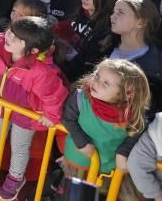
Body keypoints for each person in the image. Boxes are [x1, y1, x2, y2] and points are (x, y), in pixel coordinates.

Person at [0, 16, 69, 201]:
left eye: (17, 38)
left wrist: (51, 115)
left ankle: (15, 178)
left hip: (25, 114)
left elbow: (53, 95)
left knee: (20, 147)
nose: (9, 37)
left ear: (34, 50)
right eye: (11, 32)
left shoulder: (40, 71)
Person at [60, 58, 150, 199]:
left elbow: (138, 130)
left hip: (110, 167)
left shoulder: (131, 113)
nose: (96, 82)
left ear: (128, 93)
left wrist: (124, 152)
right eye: (97, 76)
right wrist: (81, 142)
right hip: (80, 161)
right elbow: (67, 119)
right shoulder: (81, 97)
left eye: (106, 83)